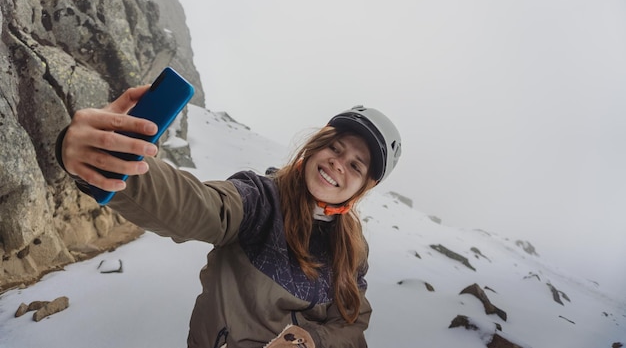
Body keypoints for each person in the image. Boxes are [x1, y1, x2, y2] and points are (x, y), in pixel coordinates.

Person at [56, 85, 402, 348]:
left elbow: (351, 322)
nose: (338, 163)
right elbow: (200, 206)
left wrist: (309, 339)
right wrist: (111, 163)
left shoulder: (352, 248)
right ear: (317, 146)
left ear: (362, 187)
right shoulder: (260, 199)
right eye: (335, 147)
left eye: (356, 165)